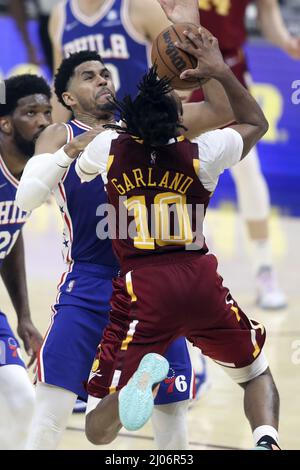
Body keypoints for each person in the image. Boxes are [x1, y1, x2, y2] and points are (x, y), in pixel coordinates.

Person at [16, 11, 235, 448]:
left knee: (173, 419)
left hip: (152, 287)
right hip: (88, 287)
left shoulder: (145, 124)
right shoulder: (60, 133)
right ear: (68, 97)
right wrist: (71, 152)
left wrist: (204, 53)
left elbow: (222, 112)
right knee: (49, 419)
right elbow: (27, 198)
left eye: (105, 72)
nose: (102, 79)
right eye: (88, 75)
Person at [72, 28, 280, 451]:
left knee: (97, 429)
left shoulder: (110, 146)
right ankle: (266, 440)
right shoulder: (202, 152)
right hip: (199, 278)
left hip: (142, 288)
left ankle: (138, 383)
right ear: (180, 120)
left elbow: (82, 171)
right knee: (256, 374)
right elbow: (256, 122)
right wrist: (218, 69)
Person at [184, 0, 300, 309]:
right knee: (182, 180)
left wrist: (286, 41)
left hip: (228, 67)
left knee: (248, 172)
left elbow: (267, 10)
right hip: (182, 69)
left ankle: (264, 269)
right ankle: (191, 275)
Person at [0, 74, 51, 449]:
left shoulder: (33, 178)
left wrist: (24, 315)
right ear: (5, 123)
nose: (43, 121)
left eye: (47, 112)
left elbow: (9, 236)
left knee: (22, 401)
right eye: (30, 112)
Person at [48, 0, 174, 121]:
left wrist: (167, 118)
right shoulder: (60, 16)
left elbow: (181, 65)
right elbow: (61, 84)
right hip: (96, 133)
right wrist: (53, 132)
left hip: (143, 122)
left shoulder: (140, 5)